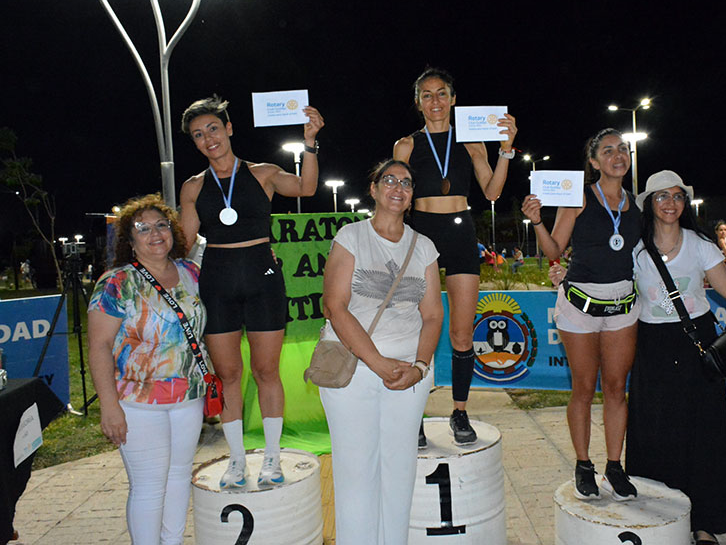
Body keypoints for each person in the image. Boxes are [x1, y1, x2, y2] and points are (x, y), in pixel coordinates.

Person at [179, 95, 324, 488]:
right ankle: (237, 462)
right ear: (193, 143)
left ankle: (273, 459)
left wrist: (309, 142)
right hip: (217, 281)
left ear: (229, 129)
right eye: (197, 135)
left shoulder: (263, 173)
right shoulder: (192, 187)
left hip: (263, 278)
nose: (208, 138)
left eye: (213, 129)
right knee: (227, 374)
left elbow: (307, 187)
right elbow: (182, 242)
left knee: (265, 371)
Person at [626, 170, 726, 545]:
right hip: (652, 345)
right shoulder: (634, 248)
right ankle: (657, 518)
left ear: (684, 203)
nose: (670, 203)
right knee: (654, 432)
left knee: (701, 434)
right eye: (662, 196)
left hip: (696, 343)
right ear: (649, 204)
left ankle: (703, 524)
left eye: (677, 196)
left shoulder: (700, 243)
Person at [320, 160, 443, 544]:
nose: (398, 187)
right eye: (388, 179)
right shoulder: (351, 236)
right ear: (373, 189)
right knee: (356, 471)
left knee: (399, 469)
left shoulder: (423, 247)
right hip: (354, 369)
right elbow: (334, 307)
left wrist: (419, 368)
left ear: (411, 197)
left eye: (406, 182)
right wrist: (378, 363)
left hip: (408, 375)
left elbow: (433, 315)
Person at [393, 67, 517, 445]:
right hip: (421, 233)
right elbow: (395, 198)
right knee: (418, 332)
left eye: (442, 93)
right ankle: (413, 415)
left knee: (462, 333)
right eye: (427, 95)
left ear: (453, 99)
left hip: (462, 231)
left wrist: (506, 149)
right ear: (418, 103)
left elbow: (492, 191)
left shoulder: (472, 143)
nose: (435, 101)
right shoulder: (406, 146)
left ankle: (460, 412)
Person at [521, 128, 641, 501]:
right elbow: (555, 248)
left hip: (622, 306)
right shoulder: (577, 198)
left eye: (623, 148)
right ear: (593, 163)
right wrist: (537, 220)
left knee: (617, 390)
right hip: (580, 307)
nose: (618, 155)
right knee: (584, 389)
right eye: (608, 150)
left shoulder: (637, 203)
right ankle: (583, 463)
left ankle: (615, 466)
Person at [87, 194, 207, 545]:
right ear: (130, 239)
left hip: (188, 397)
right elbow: (99, 347)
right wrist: (109, 406)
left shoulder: (191, 273)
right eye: (143, 228)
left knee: (178, 476)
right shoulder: (116, 283)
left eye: (161, 225)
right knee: (149, 485)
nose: (155, 234)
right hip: (137, 402)